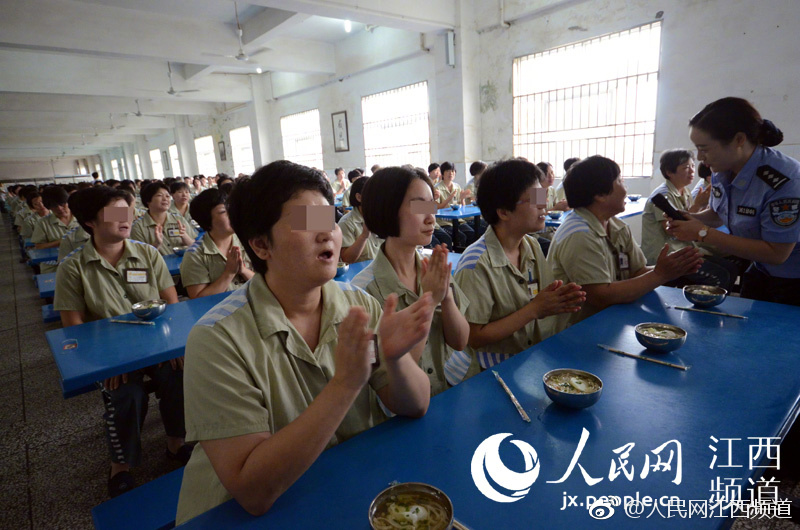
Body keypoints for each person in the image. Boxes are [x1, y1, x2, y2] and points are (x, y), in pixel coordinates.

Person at [175, 160, 435, 523]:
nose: (327, 233)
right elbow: (253, 494)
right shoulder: (216, 339)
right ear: (262, 245)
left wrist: (395, 360)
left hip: (342, 482)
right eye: (307, 224)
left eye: (329, 220)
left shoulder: (358, 305)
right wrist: (346, 383)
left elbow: (417, 404)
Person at [53, 186, 189, 497]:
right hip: (108, 354)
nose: (126, 219)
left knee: (178, 373)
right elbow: (73, 329)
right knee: (126, 392)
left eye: (126, 211)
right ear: (90, 222)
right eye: (115, 213)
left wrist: (175, 346)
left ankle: (176, 442)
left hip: (156, 344)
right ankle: (121, 464)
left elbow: (172, 305)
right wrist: (106, 364)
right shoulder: (73, 267)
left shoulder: (147, 254)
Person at [667, 97, 800, 306]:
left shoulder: (783, 181)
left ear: (739, 140)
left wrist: (702, 233)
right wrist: (691, 218)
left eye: (705, 148)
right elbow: (719, 213)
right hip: (759, 270)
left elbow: (777, 253)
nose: (700, 157)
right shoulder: (723, 170)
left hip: (793, 280)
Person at [454, 159, 586, 370]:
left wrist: (558, 301)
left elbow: (544, 302)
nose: (544, 205)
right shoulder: (476, 264)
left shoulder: (531, 246)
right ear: (504, 212)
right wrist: (534, 309)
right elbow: (473, 337)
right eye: (534, 199)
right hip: (491, 370)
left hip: (529, 358)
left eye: (541, 196)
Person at [547, 156, 704, 331]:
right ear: (599, 195)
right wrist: (660, 274)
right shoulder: (578, 234)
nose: (626, 187)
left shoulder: (616, 226)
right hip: (579, 330)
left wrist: (672, 267)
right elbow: (600, 296)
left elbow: (637, 271)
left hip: (612, 320)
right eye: (620, 181)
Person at [354, 167, 472, 392]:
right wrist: (426, 302)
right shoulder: (363, 292)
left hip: (450, 390)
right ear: (387, 209)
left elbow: (460, 341)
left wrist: (445, 297)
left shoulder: (433, 267)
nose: (431, 217)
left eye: (430, 205)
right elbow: (388, 379)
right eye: (419, 206)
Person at [181, 189, 254, 298]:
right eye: (224, 212)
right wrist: (228, 273)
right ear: (207, 219)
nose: (232, 215)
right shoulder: (194, 255)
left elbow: (266, 282)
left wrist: (243, 271)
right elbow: (198, 300)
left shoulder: (248, 241)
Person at [130, 181, 197, 255]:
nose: (165, 199)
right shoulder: (138, 227)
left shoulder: (179, 219)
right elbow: (140, 256)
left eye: (168, 196)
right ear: (148, 200)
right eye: (160, 195)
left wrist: (185, 236)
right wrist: (156, 244)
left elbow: (194, 246)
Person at [31, 186, 79, 273]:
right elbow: (39, 247)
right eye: (54, 206)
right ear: (49, 207)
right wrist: (62, 242)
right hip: (54, 267)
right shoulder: (43, 223)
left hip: (79, 263)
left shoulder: (82, 217)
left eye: (62, 204)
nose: (59, 208)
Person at [338, 176, 382, 263]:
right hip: (358, 273)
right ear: (359, 197)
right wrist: (364, 236)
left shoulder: (382, 217)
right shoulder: (346, 223)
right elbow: (346, 259)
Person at [435, 162, 475, 246]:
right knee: (461, 237)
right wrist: (449, 198)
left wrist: (462, 198)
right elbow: (437, 207)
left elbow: (462, 207)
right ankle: (459, 254)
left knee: (471, 233)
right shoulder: (437, 188)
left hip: (458, 220)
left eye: (453, 171)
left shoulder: (457, 186)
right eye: (448, 171)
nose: (451, 173)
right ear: (442, 173)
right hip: (444, 222)